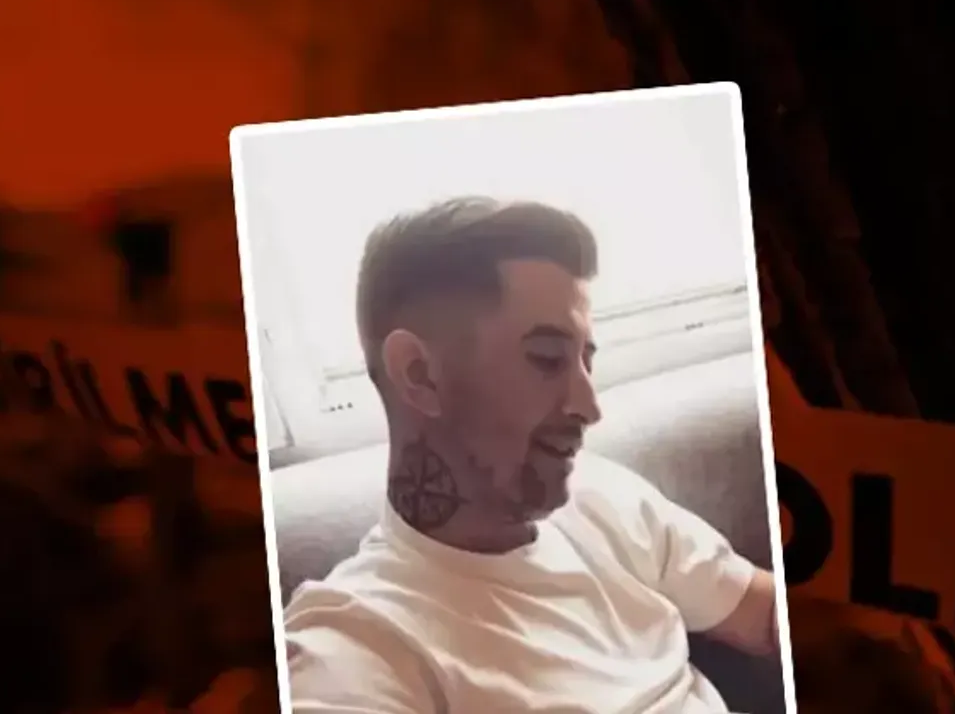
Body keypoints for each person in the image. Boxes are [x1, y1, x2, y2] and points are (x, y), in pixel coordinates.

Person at [285, 196, 781, 713]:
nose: (589, 407)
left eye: (585, 361)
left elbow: (766, 615)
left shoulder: (601, 495)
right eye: (546, 359)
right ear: (419, 374)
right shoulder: (357, 641)